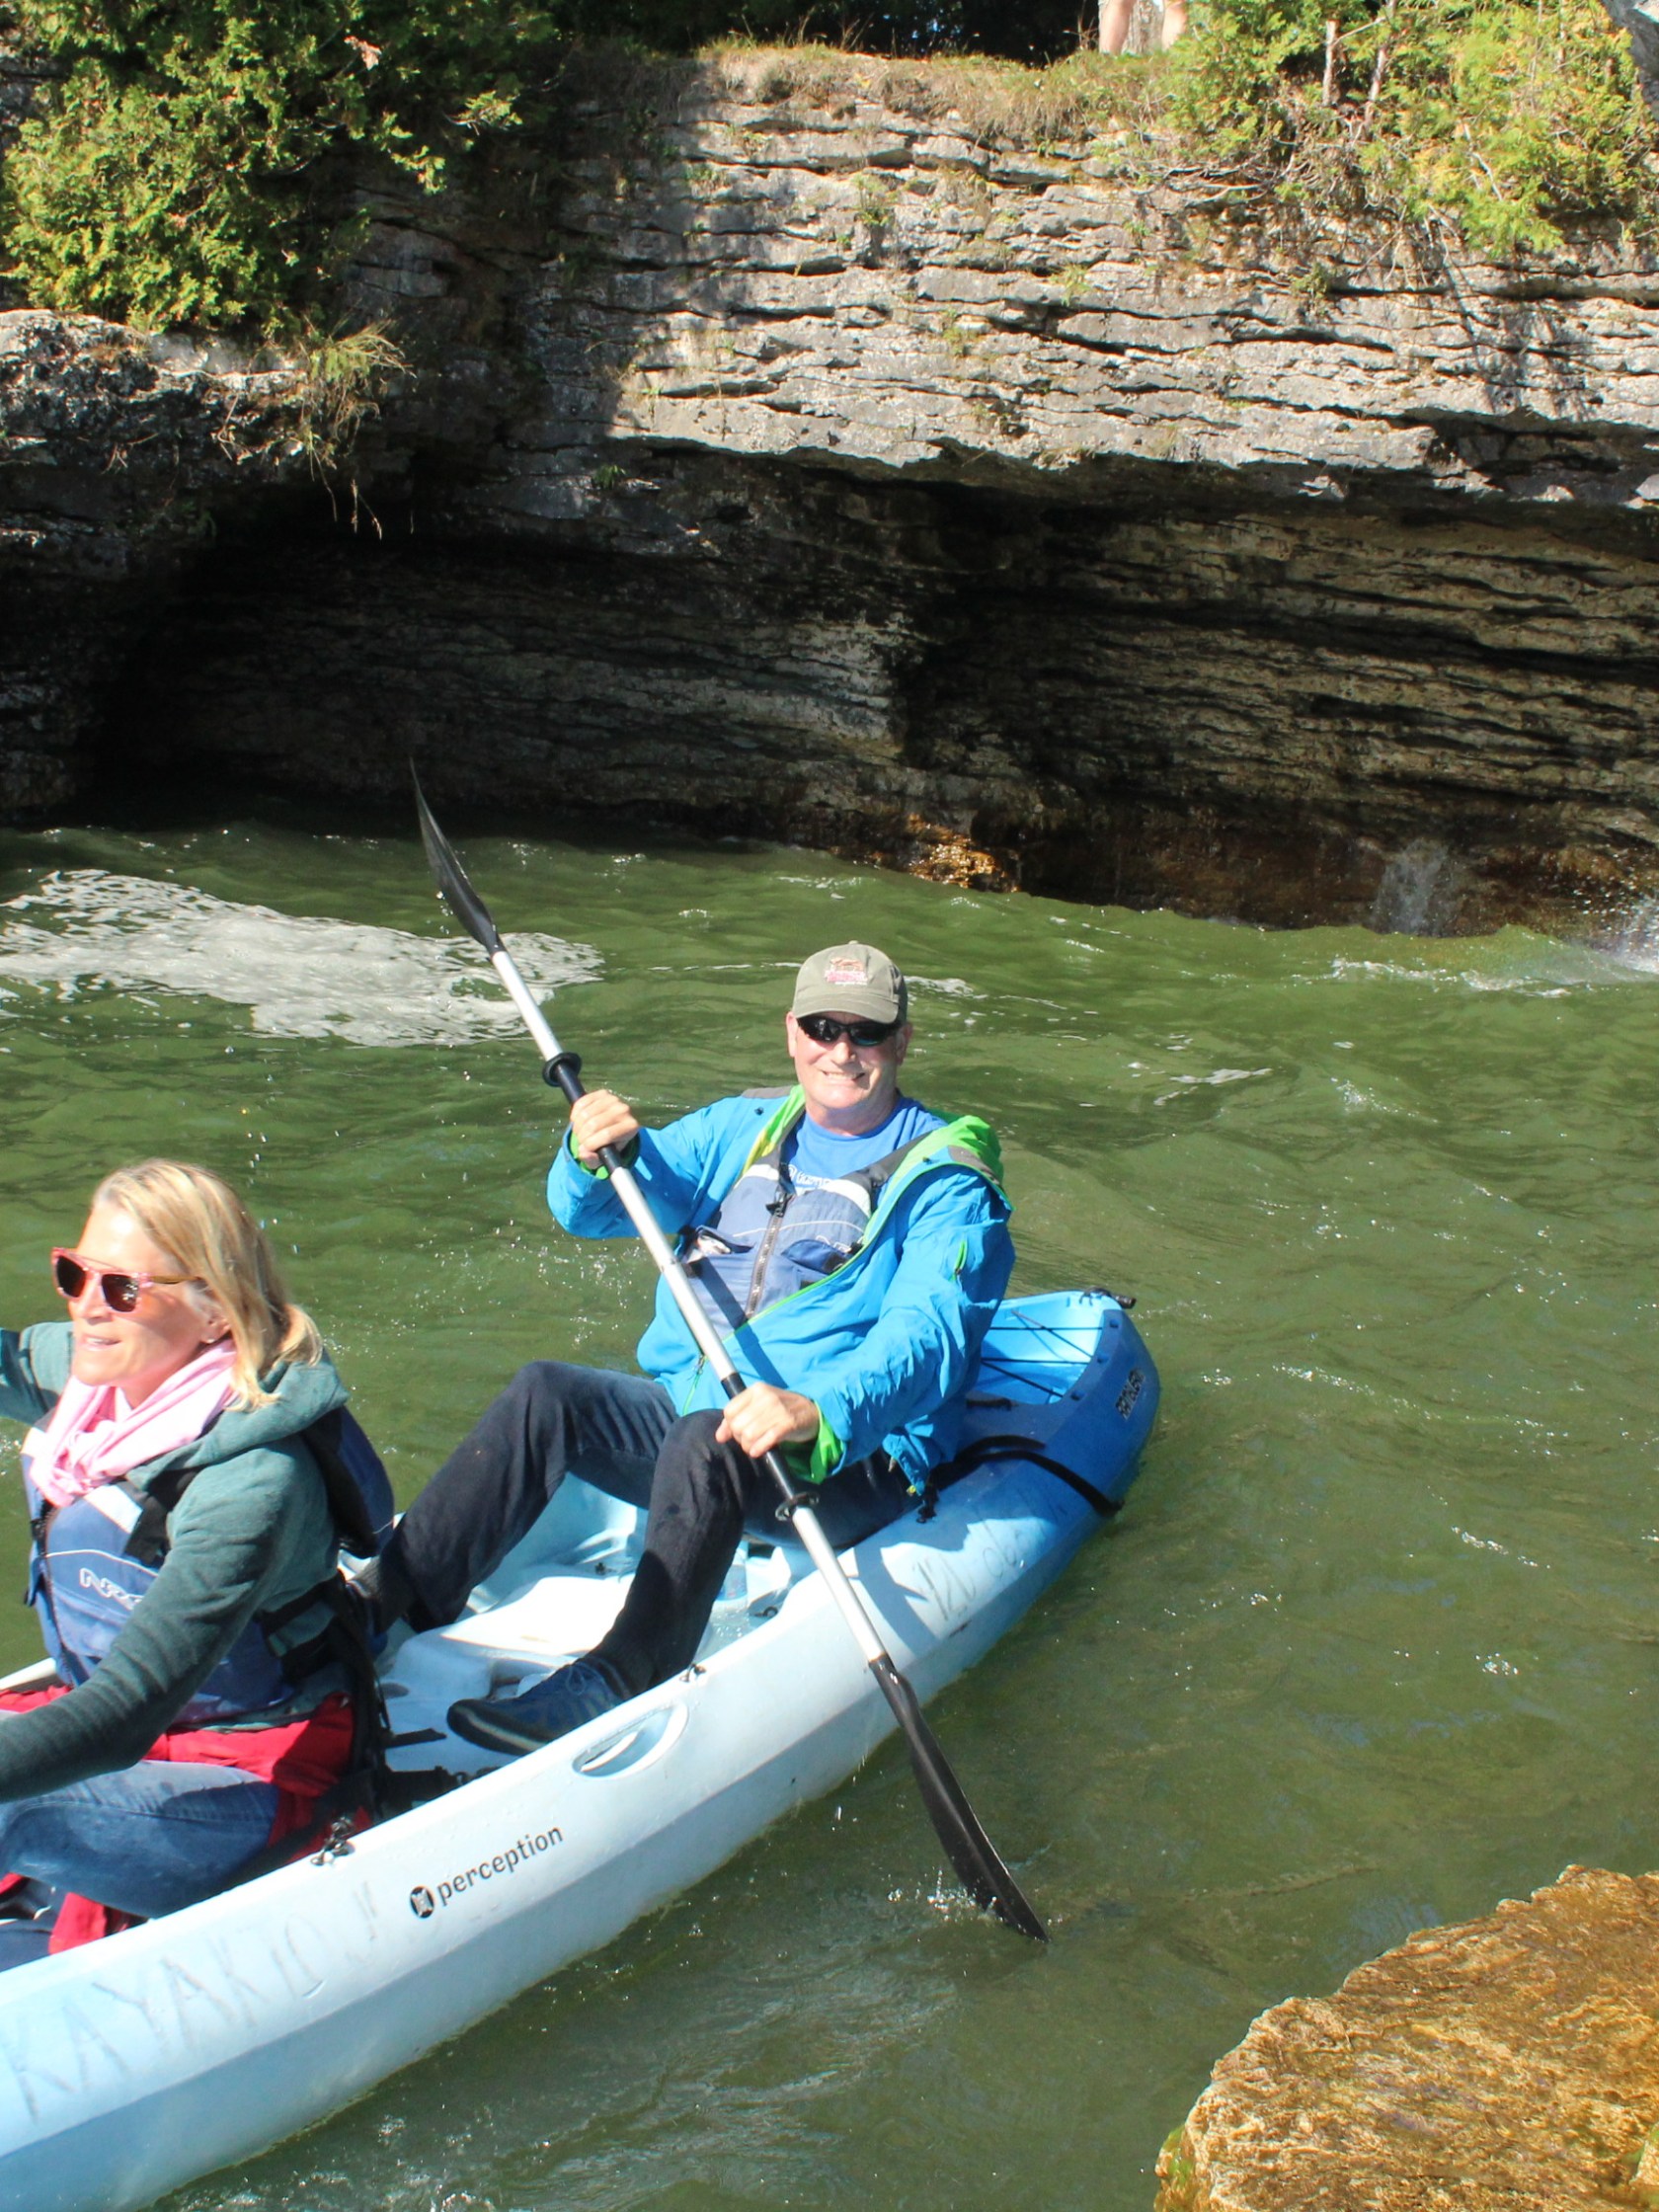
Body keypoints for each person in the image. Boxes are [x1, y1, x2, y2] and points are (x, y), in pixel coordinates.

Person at [367, 941, 1015, 1755]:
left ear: (903, 1042)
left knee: (700, 1441)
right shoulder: (739, 1128)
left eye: (868, 1033)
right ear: (791, 1032)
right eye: (823, 1027)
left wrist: (821, 1411)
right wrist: (591, 1154)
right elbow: (600, 1209)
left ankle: (621, 1676)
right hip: (703, 1413)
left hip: (852, 1450)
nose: (841, 1051)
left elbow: (931, 1335)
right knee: (547, 1391)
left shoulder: (947, 1181)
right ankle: (383, 1606)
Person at [0, 1160, 383, 1951]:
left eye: (122, 1290)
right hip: (133, 1731)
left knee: (13, 1807)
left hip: (254, 1775)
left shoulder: (250, 1485)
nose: (85, 1310)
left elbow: (123, 1718)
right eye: (74, 1276)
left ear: (215, 1311)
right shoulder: (100, 1374)